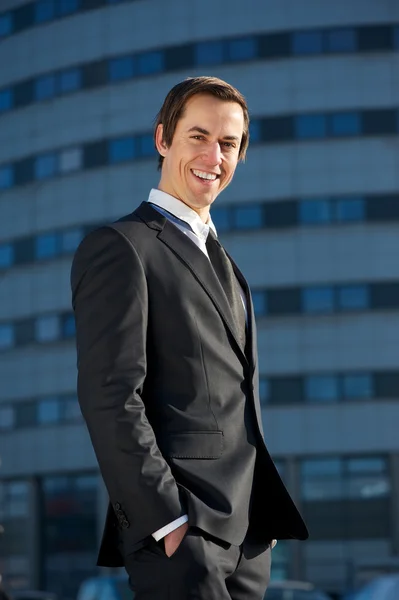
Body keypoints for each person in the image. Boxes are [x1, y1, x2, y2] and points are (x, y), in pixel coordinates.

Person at [71, 76, 308, 600]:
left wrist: (255, 528)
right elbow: (110, 396)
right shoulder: (121, 247)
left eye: (228, 143)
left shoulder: (226, 262)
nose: (213, 155)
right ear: (163, 139)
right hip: (183, 533)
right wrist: (165, 521)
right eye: (197, 136)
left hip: (247, 536)